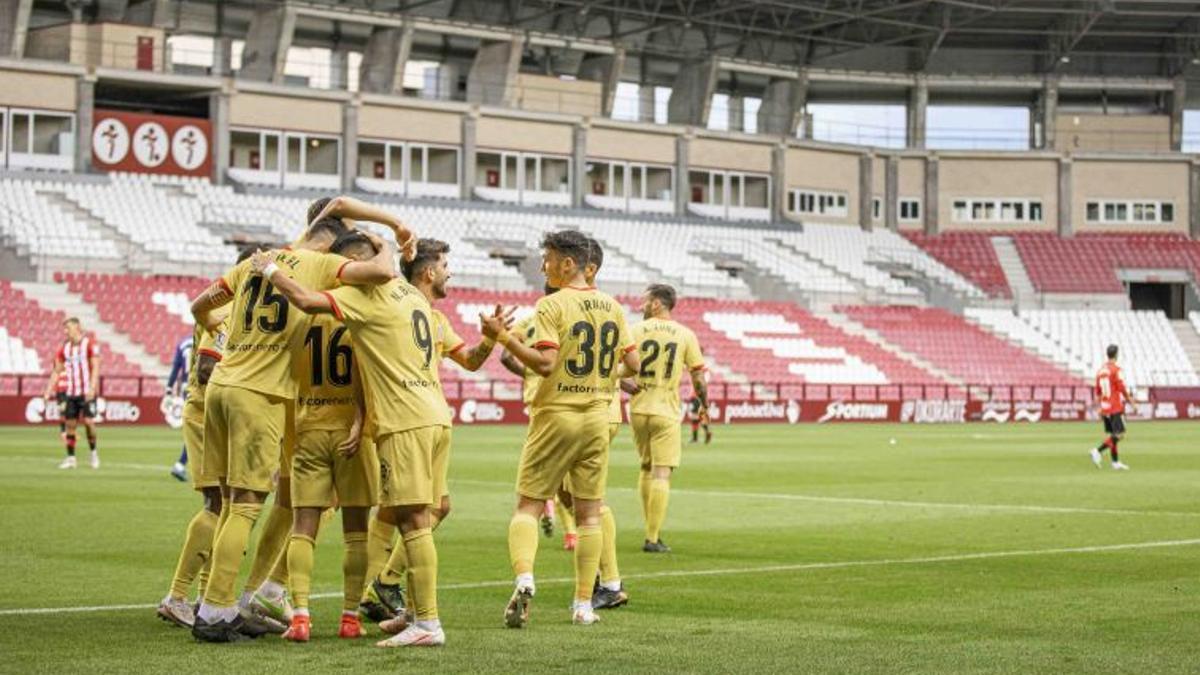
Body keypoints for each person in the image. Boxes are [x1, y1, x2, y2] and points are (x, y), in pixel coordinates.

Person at [252, 230, 506, 648]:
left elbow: (305, 301)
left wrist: (271, 268)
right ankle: (398, 610)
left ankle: (426, 622)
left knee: (411, 519)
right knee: (420, 513)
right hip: (435, 417)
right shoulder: (414, 300)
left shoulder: (364, 297)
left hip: (399, 421)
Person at [188, 204, 405, 643]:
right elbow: (382, 272)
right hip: (260, 394)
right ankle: (215, 611)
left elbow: (199, 306)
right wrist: (386, 239)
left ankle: (220, 602)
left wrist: (222, 332)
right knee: (247, 504)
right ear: (330, 238)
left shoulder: (255, 261)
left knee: (231, 502)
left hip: (221, 388)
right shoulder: (320, 263)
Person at [481, 230, 640, 628]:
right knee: (589, 515)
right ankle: (584, 605)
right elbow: (634, 366)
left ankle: (525, 577)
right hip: (597, 419)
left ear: (568, 263)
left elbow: (546, 364)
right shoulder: (613, 306)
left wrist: (503, 338)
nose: (543, 266)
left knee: (529, 506)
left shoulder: (551, 305)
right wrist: (603, 378)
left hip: (556, 415)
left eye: (548, 259)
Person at [360, 238, 506, 627]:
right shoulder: (393, 306)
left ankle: (385, 586)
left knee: (432, 508)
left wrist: (491, 338)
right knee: (404, 512)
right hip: (401, 419)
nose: (449, 272)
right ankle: (385, 593)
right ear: (428, 272)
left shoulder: (436, 320)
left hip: (429, 419)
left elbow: (471, 361)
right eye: (444, 265)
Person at [157, 307, 229, 627]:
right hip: (208, 415)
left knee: (227, 506)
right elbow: (206, 369)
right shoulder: (226, 312)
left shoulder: (231, 306)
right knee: (217, 503)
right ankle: (177, 596)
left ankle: (204, 597)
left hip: (218, 416)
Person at [628, 284, 708, 553]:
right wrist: (704, 404)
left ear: (657, 304)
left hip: (638, 408)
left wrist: (626, 386)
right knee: (662, 472)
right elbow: (698, 376)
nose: (641, 306)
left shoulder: (634, 331)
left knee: (645, 467)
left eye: (645, 301)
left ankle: (650, 525)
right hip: (666, 409)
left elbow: (619, 366)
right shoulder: (685, 334)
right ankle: (652, 537)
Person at [42, 318, 100, 470]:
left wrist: (92, 388)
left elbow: (95, 367)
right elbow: (57, 371)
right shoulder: (64, 348)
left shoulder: (90, 344)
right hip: (71, 392)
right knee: (70, 425)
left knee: (88, 422)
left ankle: (93, 452)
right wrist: (48, 390)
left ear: (77, 327)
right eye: (64, 329)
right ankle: (71, 458)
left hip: (87, 391)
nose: (65, 331)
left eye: (67, 328)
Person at [1090, 344, 1131, 471]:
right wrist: (1131, 401)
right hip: (1115, 407)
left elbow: (1097, 391)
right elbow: (1121, 387)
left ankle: (1115, 462)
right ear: (1116, 354)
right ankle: (1097, 450)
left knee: (1114, 434)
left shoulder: (1100, 371)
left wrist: (1098, 407)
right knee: (1120, 434)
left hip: (1105, 407)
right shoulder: (1116, 370)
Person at [167, 333, 193, 481]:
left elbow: (175, 368)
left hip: (185, 388)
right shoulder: (207, 338)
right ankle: (181, 464)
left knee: (197, 429)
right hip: (200, 387)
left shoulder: (183, 342)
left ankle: (182, 464)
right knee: (201, 430)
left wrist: (169, 389)